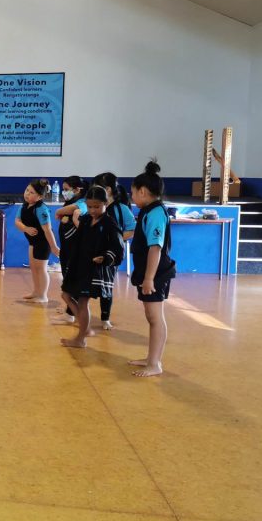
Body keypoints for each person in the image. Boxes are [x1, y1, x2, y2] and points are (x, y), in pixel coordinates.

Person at [59, 187, 125, 349]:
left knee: (82, 301)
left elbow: (118, 248)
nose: (93, 210)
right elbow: (78, 241)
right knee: (66, 295)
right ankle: (85, 326)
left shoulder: (109, 223)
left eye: (97, 206)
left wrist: (105, 257)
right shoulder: (86, 220)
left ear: (105, 204)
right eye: (89, 206)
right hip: (80, 266)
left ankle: (80, 338)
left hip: (94, 269)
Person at [129, 161, 176, 377]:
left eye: (133, 193)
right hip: (148, 271)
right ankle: (151, 358)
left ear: (142, 191)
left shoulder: (156, 213)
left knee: (155, 318)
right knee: (151, 317)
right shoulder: (148, 211)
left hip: (156, 273)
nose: (132, 197)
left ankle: (155, 364)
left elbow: (155, 248)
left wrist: (149, 278)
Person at [92, 172, 136, 330]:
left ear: (108, 190)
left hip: (110, 255)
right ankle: (73, 312)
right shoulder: (95, 208)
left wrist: (114, 242)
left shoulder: (120, 209)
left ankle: (105, 318)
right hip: (93, 252)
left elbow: (131, 230)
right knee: (83, 283)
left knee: (106, 285)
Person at [14, 179, 60, 303]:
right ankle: (36, 292)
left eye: (31, 192)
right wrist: (26, 228)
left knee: (41, 269)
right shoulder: (24, 206)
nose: (27, 194)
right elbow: (17, 221)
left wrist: (54, 247)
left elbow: (47, 230)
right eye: (27, 190)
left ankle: (43, 296)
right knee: (34, 268)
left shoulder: (41, 209)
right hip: (32, 242)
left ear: (39, 197)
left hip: (43, 243)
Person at [51, 176, 88, 324]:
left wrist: (60, 210)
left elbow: (78, 208)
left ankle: (72, 315)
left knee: (73, 282)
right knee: (67, 280)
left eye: (66, 189)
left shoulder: (83, 202)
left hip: (75, 250)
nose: (64, 192)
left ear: (77, 190)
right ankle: (70, 309)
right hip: (67, 249)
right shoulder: (70, 202)